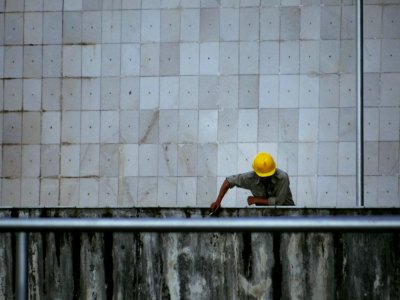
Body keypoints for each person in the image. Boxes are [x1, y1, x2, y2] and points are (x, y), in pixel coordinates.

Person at [210, 152, 294, 213]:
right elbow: (229, 181)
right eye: (262, 175)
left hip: (287, 214)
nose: (265, 177)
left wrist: (256, 200)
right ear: (256, 173)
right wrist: (218, 201)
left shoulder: (282, 178)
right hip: (264, 216)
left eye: (268, 175)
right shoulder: (251, 178)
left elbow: (279, 203)